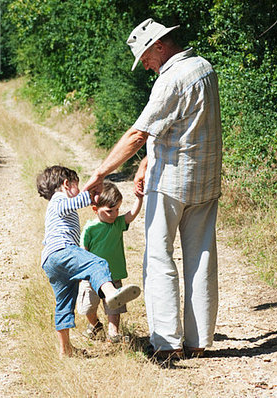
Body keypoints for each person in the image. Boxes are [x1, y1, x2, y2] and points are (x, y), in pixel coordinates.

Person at [83, 18, 222, 360]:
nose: (144, 64)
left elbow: (137, 133)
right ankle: (197, 341)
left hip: (172, 183)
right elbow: (184, 126)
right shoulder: (204, 68)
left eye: (144, 56)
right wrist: (146, 161)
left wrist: (100, 172)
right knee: (202, 258)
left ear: (160, 45)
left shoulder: (171, 78)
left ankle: (166, 344)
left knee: (158, 258)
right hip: (205, 180)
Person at [37, 165, 141, 357]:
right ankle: (111, 293)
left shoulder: (55, 205)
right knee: (98, 263)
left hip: (51, 260)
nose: (79, 189)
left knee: (64, 303)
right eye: (77, 185)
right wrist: (90, 196)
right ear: (67, 184)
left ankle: (65, 349)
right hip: (62, 250)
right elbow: (71, 203)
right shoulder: (58, 199)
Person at [76, 181, 143, 343]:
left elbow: (131, 215)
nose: (114, 214)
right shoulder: (90, 228)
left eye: (117, 210)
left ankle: (113, 332)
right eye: (109, 211)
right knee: (88, 307)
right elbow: (83, 250)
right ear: (95, 209)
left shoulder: (118, 223)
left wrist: (139, 198)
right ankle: (96, 324)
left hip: (113, 274)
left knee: (114, 304)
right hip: (91, 277)